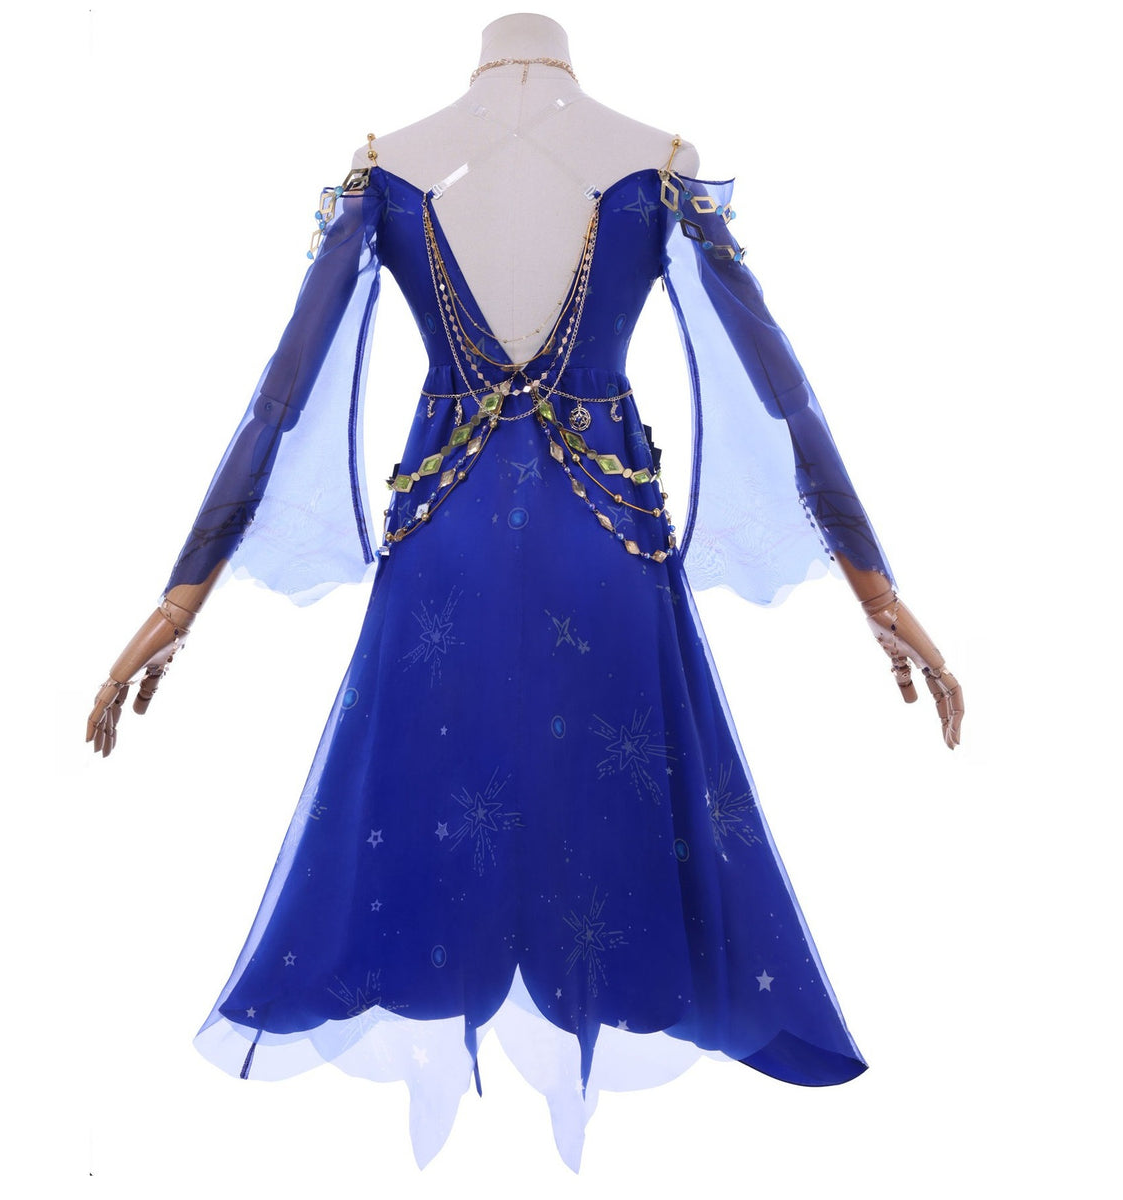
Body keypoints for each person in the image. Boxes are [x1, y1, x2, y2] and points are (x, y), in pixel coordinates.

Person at [86, 12, 962, 1171]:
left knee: (435, 797)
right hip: (606, 535)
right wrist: (878, 594)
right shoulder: (654, 167)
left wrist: (177, 606)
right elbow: (782, 393)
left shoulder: (392, 173)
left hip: (443, 532)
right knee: (601, 812)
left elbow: (278, 402)